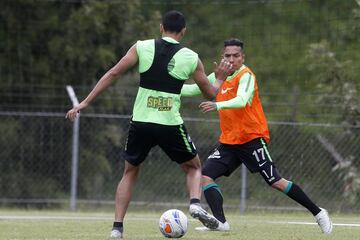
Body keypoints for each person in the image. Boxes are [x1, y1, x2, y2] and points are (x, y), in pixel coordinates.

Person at [66, 11, 232, 239]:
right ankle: (194, 203)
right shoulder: (191, 57)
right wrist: (220, 77)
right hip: (169, 124)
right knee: (194, 167)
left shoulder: (141, 47)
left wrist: (84, 102)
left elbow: (114, 72)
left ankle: (117, 228)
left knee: (130, 171)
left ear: (161, 28)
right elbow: (210, 93)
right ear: (183, 32)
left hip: (141, 122)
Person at [181, 38, 333, 234]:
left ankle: (319, 212)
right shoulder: (219, 76)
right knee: (206, 176)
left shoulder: (247, 75)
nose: (231, 59)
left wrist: (217, 105)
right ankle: (220, 223)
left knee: (276, 182)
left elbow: (242, 100)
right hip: (229, 141)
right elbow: (194, 88)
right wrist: (167, 87)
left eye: (236, 56)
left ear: (242, 57)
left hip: (252, 138)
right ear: (222, 57)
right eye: (227, 55)